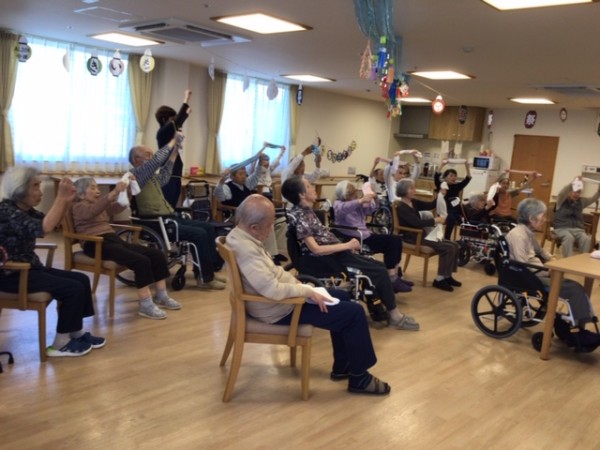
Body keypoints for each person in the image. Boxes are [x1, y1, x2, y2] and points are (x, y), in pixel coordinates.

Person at [226, 194, 391, 395]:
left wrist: (301, 285)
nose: (270, 231)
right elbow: (271, 289)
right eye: (269, 226)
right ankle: (360, 378)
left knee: (342, 297)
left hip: (276, 303)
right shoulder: (246, 250)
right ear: (254, 227)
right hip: (277, 310)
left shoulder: (239, 236)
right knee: (354, 313)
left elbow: (273, 274)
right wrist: (307, 291)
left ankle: (343, 366)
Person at [282, 176, 419, 331]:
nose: (313, 188)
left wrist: (345, 247)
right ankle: (394, 314)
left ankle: (381, 310)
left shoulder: (306, 212)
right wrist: (346, 245)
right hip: (326, 260)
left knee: (379, 266)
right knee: (379, 271)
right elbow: (316, 249)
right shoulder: (302, 216)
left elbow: (324, 238)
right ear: (301, 194)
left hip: (336, 253)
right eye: (308, 186)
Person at [0, 166, 104, 357]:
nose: (40, 192)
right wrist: (61, 198)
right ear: (20, 189)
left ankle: (75, 332)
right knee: (72, 288)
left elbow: (52, 221)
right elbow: (45, 228)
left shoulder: (24, 209)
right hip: (12, 275)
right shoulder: (6, 212)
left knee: (81, 279)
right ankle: (60, 344)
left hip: (29, 269)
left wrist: (67, 200)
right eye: (35, 186)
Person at [72, 177, 182, 320]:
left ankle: (161, 295)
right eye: (92, 188)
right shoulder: (79, 207)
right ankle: (145, 304)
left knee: (156, 254)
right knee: (140, 261)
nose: (97, 190)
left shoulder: (98, 205)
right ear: (81, 194)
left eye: (97, 187)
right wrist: (112, 193)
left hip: (111, 239)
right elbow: (92, 212)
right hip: (94, 243)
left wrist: (127, 192)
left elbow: (117, 207)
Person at [129, 137, 226, 290]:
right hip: (155, 222)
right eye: (148, 155)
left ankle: (208, 271)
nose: (151, 158)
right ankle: (206, 278)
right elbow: (157, 161)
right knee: (199, 234)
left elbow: (166, 173)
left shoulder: (151, 176)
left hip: (168, 218)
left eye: (152, 154)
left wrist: (175, 152)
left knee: (208, 228)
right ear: (136, 160)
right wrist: (173, 140)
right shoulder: (137, 174)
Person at [506, 198, 593, 326]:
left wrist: (550, 257)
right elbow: (522, 264)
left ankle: (580, 320)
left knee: (574, 286)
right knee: (574, 289)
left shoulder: (527, 232)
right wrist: (547, 270)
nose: (545, 220)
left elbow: (540, 250)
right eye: (542, 216)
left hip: (536, 273)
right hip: (530, 277)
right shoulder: (518, 235)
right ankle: (579, 323)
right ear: (531, 219)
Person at [332, 180, 413, 292]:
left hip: (365, 235)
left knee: (397, 240)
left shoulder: (355, 202)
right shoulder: (338, 204)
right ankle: (392, 279)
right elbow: (345, 208)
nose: (355, 195)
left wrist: (374, 198)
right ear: (345, 195)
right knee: (392, 242)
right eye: (352, 193)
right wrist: (360, 200)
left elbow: (370, 210)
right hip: (355, 238)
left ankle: (395, 275)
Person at [395, 178, 462, 292]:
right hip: (413, 237)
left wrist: (441, 194)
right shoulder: (401, 207)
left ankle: (447, 276)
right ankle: (439, 279)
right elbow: (416, 223)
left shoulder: (413, 202)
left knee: (454, 245)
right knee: (448, 247)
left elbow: (431, 204)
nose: (414, 190)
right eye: (411, 188)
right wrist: (436, 220)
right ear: (403, 190)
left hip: (422, 235)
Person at [157, 89, 192, 209]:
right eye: (172, 118)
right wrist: (186, 98)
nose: (174, 122)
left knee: (171, 208)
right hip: (169, 178)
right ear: (164, 120)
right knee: (167, 207)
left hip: (175, 177)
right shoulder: (163, 132)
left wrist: (186, 114)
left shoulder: (168, 133)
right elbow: (178, 121)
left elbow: (178, 122)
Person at [552, 176, 600, 257]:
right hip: (562, 228)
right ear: (569, 192)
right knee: (569, 238)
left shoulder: (582, 201)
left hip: (577, 229)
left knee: (586, 239)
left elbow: (593, 199)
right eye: (574, 192)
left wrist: (599, 191)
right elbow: (561, 193)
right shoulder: (561, 200)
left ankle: (581, 259)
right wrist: (572, 183)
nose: (576, 194)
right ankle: (568, 261)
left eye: (579, 192)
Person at [434, 160, 471, 240]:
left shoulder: (457, 186)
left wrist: (467, 166)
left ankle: (464, 240)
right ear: (445, 178)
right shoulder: (442, 185)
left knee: (467, 218)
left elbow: (468, 178)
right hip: (445, 210)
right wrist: (442, 164)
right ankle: (447, 239)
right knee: (451, 218)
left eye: (455, 176)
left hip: (456, 210)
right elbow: (436, 176)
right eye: (451, 176)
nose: (453, 177)